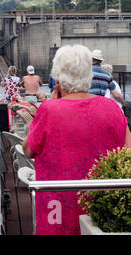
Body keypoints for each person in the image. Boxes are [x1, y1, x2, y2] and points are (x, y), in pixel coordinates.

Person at [22, 44, 131, 235]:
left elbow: (28, 149)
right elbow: (128, 151)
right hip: (101, 205)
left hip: (57, 207)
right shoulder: (113, 109)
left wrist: (47, 105)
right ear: (88, 74)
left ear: (58, 78)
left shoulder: (50, 110)